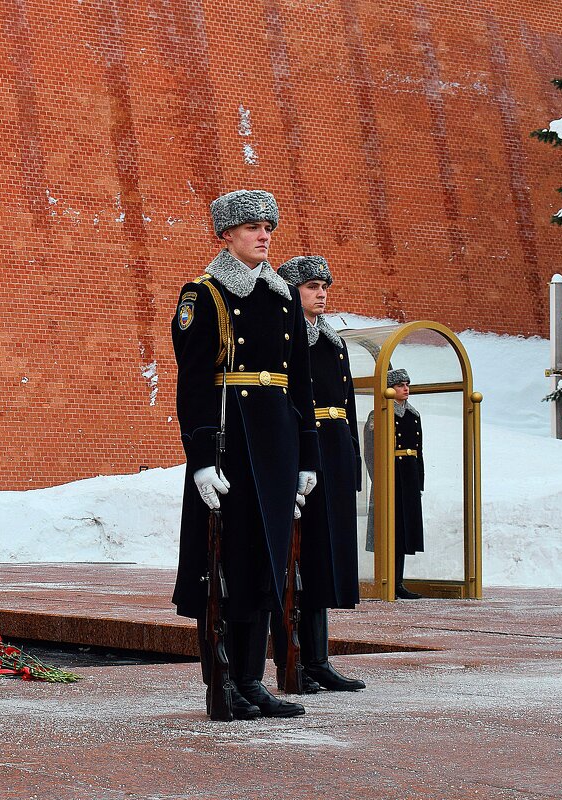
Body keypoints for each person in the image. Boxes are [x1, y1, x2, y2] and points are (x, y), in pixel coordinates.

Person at [171, 189, 320, 719]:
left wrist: (307, 460)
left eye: (269, 227)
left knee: (266, 563)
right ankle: (224, 682)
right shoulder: (204, 295)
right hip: (230, 447)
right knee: (224, 565)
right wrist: (202, 457)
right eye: (253, 226)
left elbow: (301, 385)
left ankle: (253, 680)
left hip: (276, 444)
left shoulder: (283, 298)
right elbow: (194, 383)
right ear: (226, 234)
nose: (264, 235)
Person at [269, 256, 365, 692]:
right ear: (291, 291)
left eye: (324, 285)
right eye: (311, 286)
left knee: (325, 560)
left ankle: (319, 660)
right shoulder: (286, 338)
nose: (321, 293)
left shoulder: (333, 341)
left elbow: (348, 404)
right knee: (297, 561)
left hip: (335, 451)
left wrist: (353, 461)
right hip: (304, 450)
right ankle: (294, 661)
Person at [362, 368, 424, 599]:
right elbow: (371, 451)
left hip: (408, 477)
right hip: (389, 476)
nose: (406, 389)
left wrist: (419, 481)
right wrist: (379, 478)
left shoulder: (414, 415)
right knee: (389, 529)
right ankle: (385, 580)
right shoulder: (379, 413)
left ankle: (398, 581)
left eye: (407, 384)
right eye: (400, 385)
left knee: (404, 531)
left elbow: (419, 451)